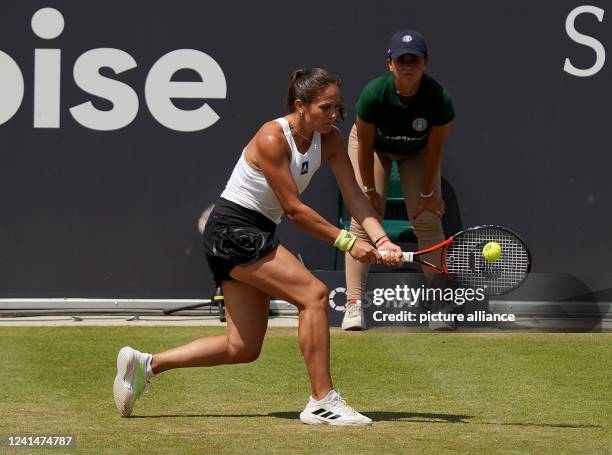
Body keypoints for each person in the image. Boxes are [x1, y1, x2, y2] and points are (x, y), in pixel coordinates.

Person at [113, 68, 403, 426]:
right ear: (300, 105)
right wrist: (348, 241)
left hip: (256, 231)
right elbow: (295, 209)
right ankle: (322, 401)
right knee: (313, 295)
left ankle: (147, 365)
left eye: (336, 108)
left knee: (243, 347)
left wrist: (382, 239)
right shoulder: (272, 137)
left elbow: (355, 196)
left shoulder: (329, 139)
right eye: (325, 108)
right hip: (233, 229)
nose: (333, 115)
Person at [341, 29, 455, 331]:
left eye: (414, 60)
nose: (407, 66)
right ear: (389, 63)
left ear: (425, 63)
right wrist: (368, 190)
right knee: (363, 219)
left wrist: (430, 191)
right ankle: (353, 304)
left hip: (417, 152)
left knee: (428, 218)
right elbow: (365, 145)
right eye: (401, 60)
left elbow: (435, 148)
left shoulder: (438, 97)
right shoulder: (373, 93)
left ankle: (440, 304)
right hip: (374, 148)